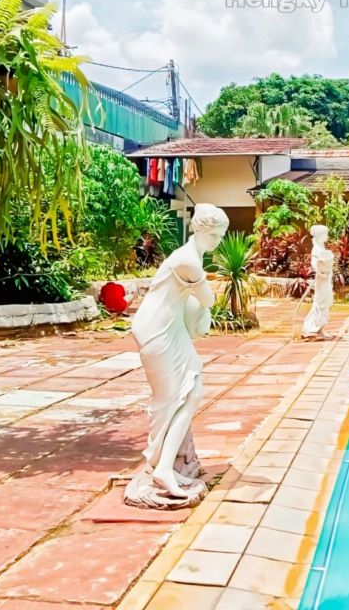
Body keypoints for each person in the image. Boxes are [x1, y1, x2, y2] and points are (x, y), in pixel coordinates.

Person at [130, 203, 228, 498]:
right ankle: (160, 468)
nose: (218, 241)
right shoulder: (188, 261)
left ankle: (165, 465)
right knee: (169, 399)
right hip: (156, 330)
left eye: (220, 235)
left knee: (192, 392)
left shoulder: (191, 256)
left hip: (171, 328)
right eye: (215, 235)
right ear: (201, 230)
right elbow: (208, 300)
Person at [302, 224, 334, 339]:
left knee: (327, 302)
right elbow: (314, 263)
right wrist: (320, 273)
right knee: (321, 303)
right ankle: (313, 327)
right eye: (325, 234)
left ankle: (320, 328)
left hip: (327, 278)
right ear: (320, 235)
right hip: (321, 279)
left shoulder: (322, 248)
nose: (327, 236)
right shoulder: (316, 249)